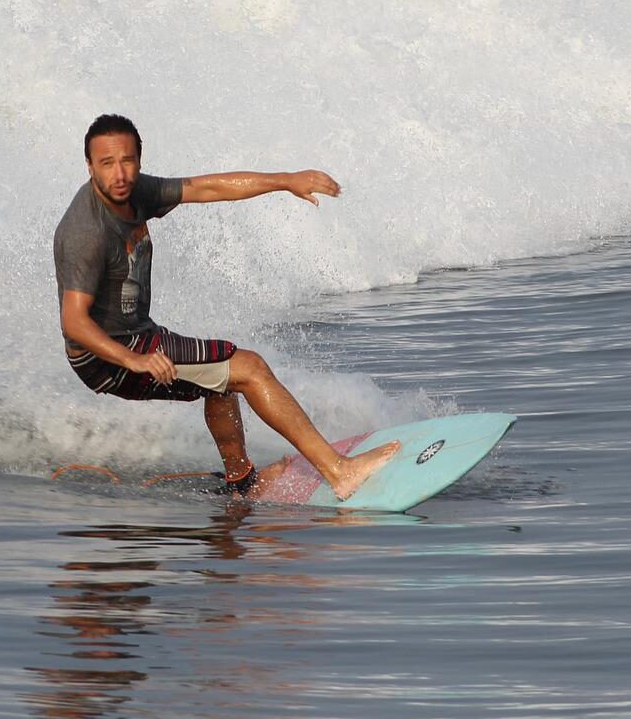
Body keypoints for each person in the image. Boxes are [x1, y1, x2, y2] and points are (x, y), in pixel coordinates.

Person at [53, 113, 399, 500]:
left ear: (139, 157)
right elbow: (73, 322)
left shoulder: (132, 191)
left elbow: (207, 187)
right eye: (106, 163)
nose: (119, 173)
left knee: (220, 379)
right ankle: (340, 472)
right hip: (107, 354)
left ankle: (242, 484)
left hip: (136, 337)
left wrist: (284, 181)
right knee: (249, 369)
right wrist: (134, 360)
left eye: (127, 160)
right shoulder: (87, 232)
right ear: (89, 166)